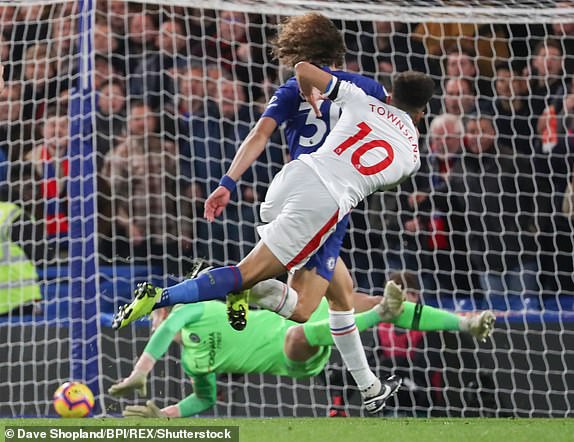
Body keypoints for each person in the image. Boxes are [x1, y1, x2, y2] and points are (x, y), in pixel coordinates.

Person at [109, 267, 495, 418]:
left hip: (305, 314)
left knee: (382, 304)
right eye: (158, 313)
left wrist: (141, 371)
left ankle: (467, 323)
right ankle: (373, 330)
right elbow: (204, 399)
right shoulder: (193, 361)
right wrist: (165, 416)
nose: (162, 315)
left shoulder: (195, 311)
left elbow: (163, 329)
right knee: (299, 334)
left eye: (161, 310)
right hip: (296, 355)